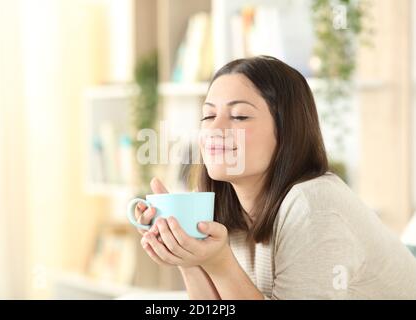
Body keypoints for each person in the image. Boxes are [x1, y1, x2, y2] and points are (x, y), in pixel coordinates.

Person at [135, 56, 416, 299]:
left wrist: (220, 263)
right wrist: (188, 256)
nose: (215, 129)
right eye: (208, 116)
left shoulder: (314, 206)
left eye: (240, 116)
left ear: (286, 132)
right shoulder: (224, 203)